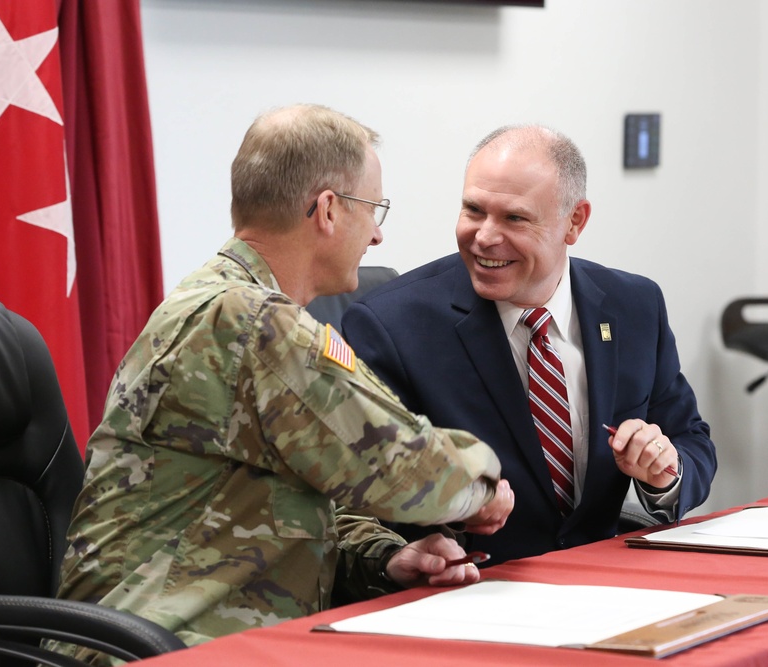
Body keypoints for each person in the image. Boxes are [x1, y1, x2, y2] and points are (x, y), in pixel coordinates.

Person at [54, 104, 514, 660]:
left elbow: (287, 507)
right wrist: (483, 485)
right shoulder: (248, 322)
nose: (378, 236)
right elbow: (405, 468)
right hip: (158, 648)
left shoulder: (223, 304)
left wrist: (383, 560)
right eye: (374, 209)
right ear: (326, 210)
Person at [342, 124, 716, 565]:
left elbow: (690, 438)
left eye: (514, 218)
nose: (484, 236)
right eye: (473, 210)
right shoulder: (392, 324)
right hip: (471, 592)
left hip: (608, 583)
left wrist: (663, 472)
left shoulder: (634, 306)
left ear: (574, 221)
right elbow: (364, 496)